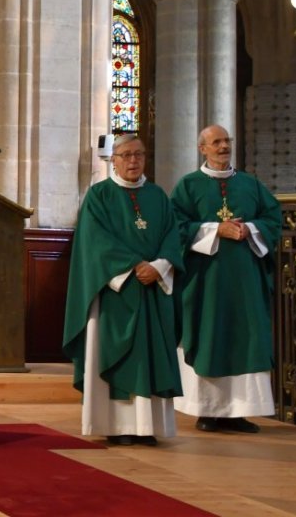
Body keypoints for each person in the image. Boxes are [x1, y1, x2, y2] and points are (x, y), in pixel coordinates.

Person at [63, 134, 184, 446]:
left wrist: (159, 265)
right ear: (113, 159)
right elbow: (94, 242)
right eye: (127, 155)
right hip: (116, 291)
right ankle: (118, 427)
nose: (133, 161)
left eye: (139, 155)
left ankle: (149, 427)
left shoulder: (158, 196)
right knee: (116, 354)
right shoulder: (99, 196)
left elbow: (173, 235)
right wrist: (133, 267)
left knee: (151, 355)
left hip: (153, 287)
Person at [170, 124, 281, 433]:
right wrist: (215, 229)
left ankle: (239, 412)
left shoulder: (250, 184)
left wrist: (250, 229)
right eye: (216, 142)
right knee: (209, 335)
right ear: (202, 149)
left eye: (226, 141)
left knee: (245, 338)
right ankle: (208, 410)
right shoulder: (188, 186)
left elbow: (274, 219)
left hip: (246, 279)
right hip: (206, 281)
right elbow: (176, 226)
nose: (223, 147)